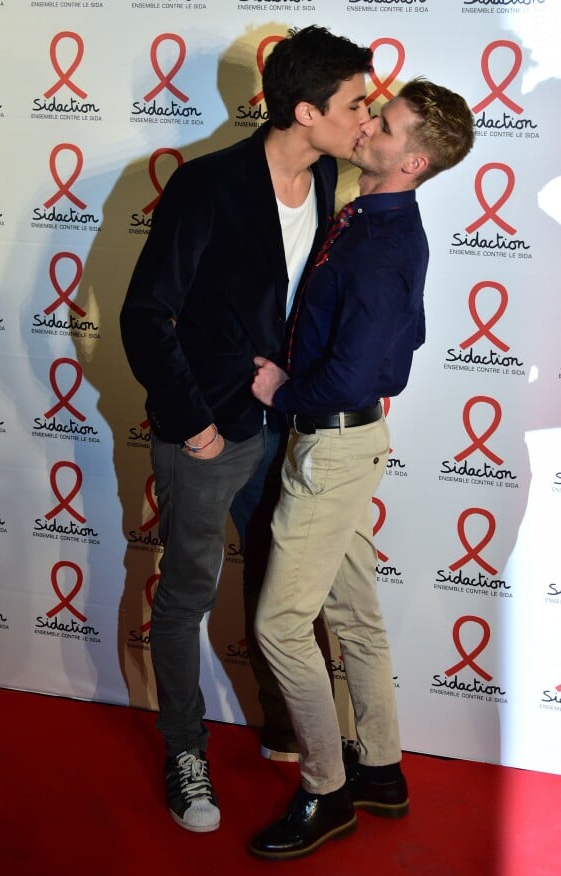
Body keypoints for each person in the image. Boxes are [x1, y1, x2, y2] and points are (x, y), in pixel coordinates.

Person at [120, 26, 373, 834]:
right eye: (355, 104)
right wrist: (191, 422)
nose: (366, 118)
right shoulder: (208, 186)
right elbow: (143, 316)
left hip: (285, 428)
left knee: (282, 587)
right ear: (306, 110)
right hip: (208, 434)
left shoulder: (330, 173)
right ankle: (185, 749)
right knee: (187, 594)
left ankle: (284, 726)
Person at [248, 78, 475, 860]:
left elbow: (363, 373)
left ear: (410, 159)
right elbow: (403, 342)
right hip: (344, 444)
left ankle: (325, 788)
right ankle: (380, 770)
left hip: (332, 444)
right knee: (354, 615)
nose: (369, 124)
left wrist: (283, 388)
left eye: (386, 123)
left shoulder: (383, 243)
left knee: (279, 623)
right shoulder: (371, 217)